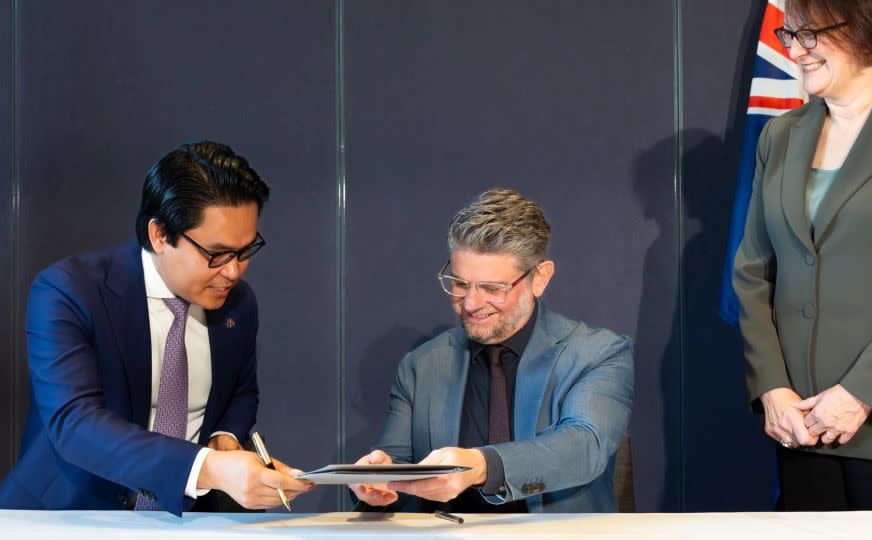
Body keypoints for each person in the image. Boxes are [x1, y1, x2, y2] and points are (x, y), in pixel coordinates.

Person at [734, 0, 872, 518]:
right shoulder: (781, 135)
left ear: (867, 27)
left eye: (811, 35)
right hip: (802, 428)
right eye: (791, 35)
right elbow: (752, 271)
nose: (796, 51)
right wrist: (771, 386)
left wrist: (862, 392)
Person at [0, 141, 311, 515]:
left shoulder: (240, 303)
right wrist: (207, 468)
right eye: (217, 254)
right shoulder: (69, 290)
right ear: (159, 234)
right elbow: (74, 423)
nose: (233, 271)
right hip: (66, 514)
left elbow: (242, 393)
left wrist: (224, 437)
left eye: (246, 251)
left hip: (184, 520)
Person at [349, 188, 634, 514]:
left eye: (491, 288)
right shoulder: (422, 366)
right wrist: (376, 481)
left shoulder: (598, 353)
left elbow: (584, 446)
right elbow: (394, 466)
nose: (470, 304)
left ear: (539, 278)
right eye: (459, 283)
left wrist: (479, 464)